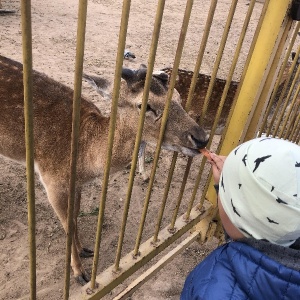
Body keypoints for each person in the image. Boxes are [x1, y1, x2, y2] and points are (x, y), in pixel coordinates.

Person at [181, 137, 300, 299]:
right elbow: (249, 227)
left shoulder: (211, 293)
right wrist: (225, 186)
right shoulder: (287, 230)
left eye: (225, 193)